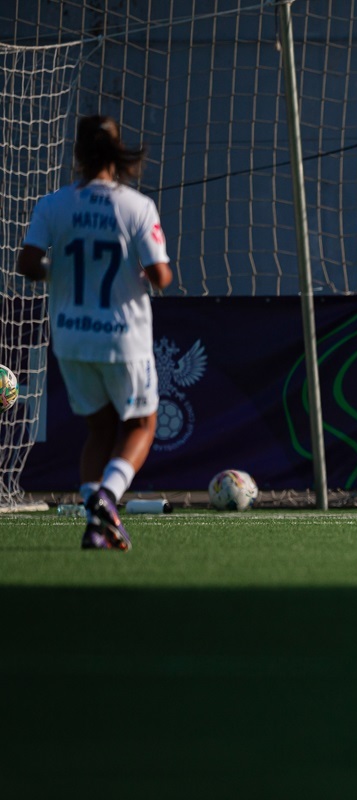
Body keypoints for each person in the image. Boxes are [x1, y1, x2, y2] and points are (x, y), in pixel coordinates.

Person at [17, 115, 173, 549]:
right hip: (122, 334)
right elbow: (161, 277)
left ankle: (94, 526)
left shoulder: (53, 204)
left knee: (99, 431)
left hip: (71, 335)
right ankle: (107, 495)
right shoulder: (136, 207)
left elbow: (27, 264)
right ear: (119, 154)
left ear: (78, 155)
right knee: (142, 423)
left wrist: (60, 273)